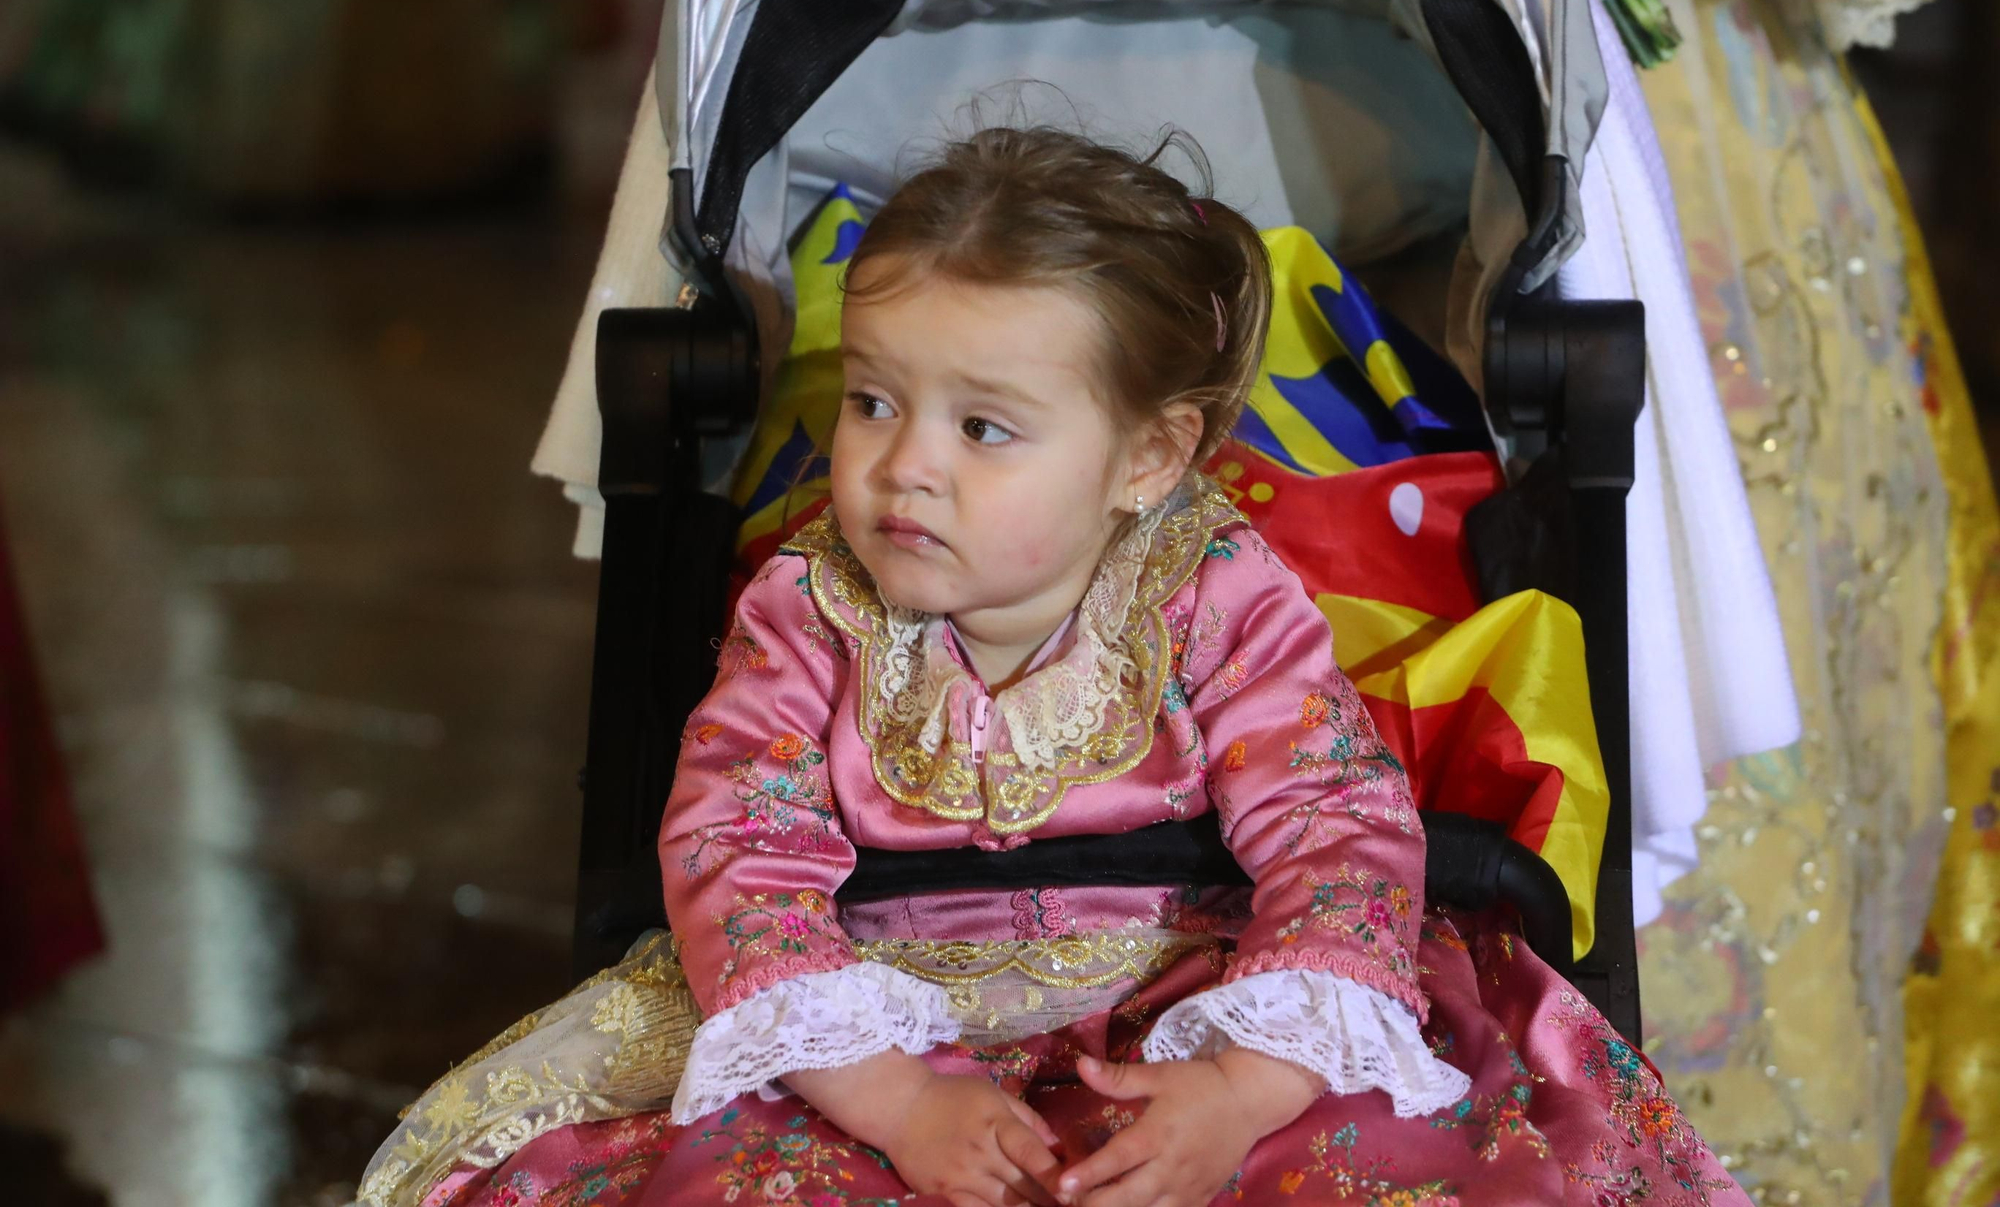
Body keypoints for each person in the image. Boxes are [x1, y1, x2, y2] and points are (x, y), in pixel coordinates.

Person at [354, 127, 1748, 1207]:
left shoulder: (1214, 592)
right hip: (882, 1011)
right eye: (874, 402)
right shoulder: (809, 610)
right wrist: (896, 1098)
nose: (906, 466)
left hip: (1189, 996)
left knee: (1395, 1157)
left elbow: (1336, 829)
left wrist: (1242, 1084)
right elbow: (735, 845)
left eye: (986, 428)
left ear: (1147, 458)